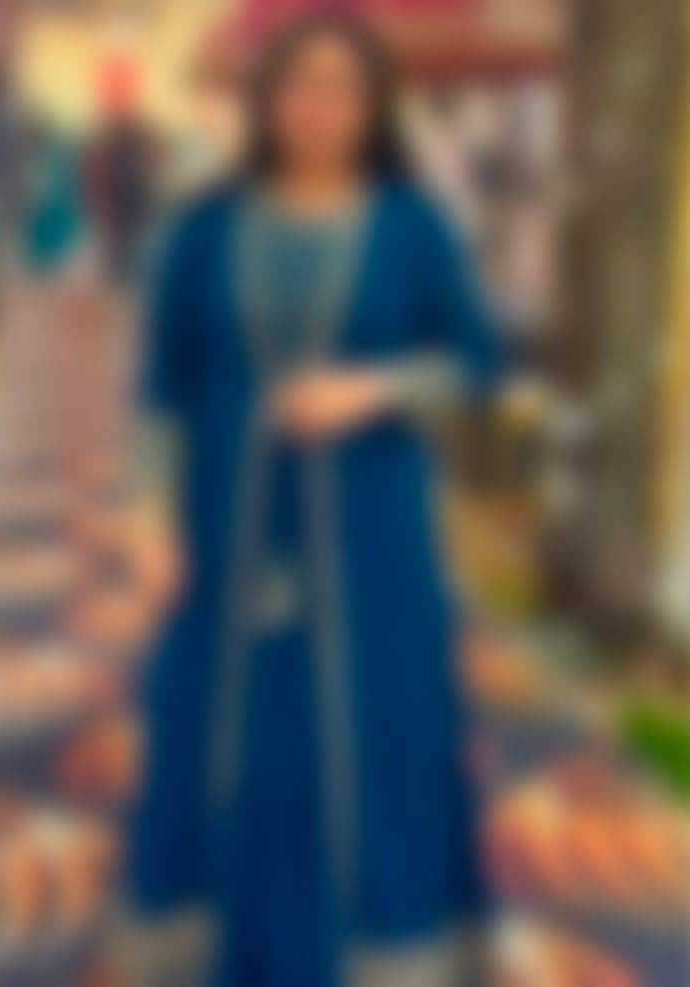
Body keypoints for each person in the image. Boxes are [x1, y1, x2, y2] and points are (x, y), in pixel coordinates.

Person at [128, 12, 502, 987]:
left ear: (374, 104)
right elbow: (162, 382)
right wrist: (148, 515)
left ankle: (380, 944)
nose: (317, 106)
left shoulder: (413, 225)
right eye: (298, 83)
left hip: (373, 530)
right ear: (265, 98)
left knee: (379, 726)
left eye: (341, 86)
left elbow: (477, 359)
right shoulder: (203, 227)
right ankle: (222, 941)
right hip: (223, 524)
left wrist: (371, 388)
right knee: (215, 721)